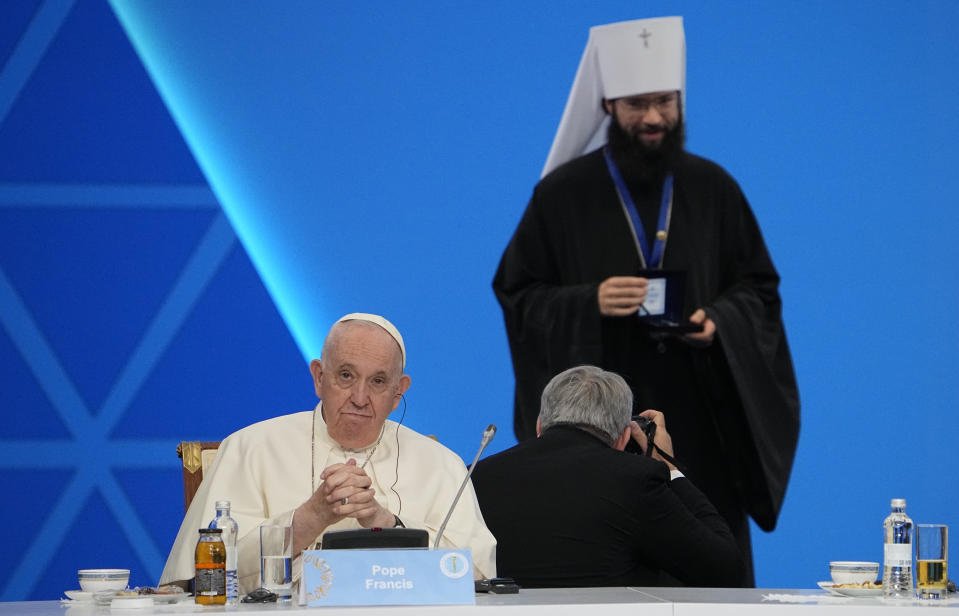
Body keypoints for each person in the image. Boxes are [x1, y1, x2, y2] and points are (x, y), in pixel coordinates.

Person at [492, 17, 799, 586]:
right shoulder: (562, 194)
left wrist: (720, 320)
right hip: (596, 426)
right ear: (608, 104)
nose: (654, 117)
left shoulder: (715, 188)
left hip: (699, 414)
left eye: (665, 101)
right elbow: (517, 291)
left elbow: (758, 288)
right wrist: (590, 301)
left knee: (707, 561)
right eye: (637, 103)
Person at [159, 313, 496, 593]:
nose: (360, 397)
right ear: (319, 377)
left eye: (378, 382)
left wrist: (389, 525)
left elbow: (477, 576)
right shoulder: (250, 447)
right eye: (346, 376)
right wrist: (311, 517)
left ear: (398, 393)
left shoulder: (439, 464)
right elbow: (208, 577)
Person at [471, 365, 744, 587]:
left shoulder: (481, 475)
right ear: (624, 436)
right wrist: (669, 467)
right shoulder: (636, 479)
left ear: (539, 425)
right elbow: (723, 569)